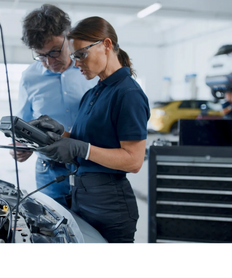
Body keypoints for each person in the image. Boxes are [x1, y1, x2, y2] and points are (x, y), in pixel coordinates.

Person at [34, 17, 150, 246]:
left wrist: (80, 147)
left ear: (106, 45)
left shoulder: (128, 94)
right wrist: (59, 134)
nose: (76, 63)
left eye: (80, 55)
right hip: (81, 199)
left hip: (110, 207)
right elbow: (85, 142)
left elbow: (133, 161)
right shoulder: (94, 92)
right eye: (74, 57)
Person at [10, 4, 98, 207]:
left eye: (55, 52)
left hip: (91, 168)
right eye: (41, 55)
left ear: (69, 36)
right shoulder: (29, 77)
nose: (49, 62)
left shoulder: (92, 71)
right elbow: (24, 125)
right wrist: (21, 146)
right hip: (49, 171)